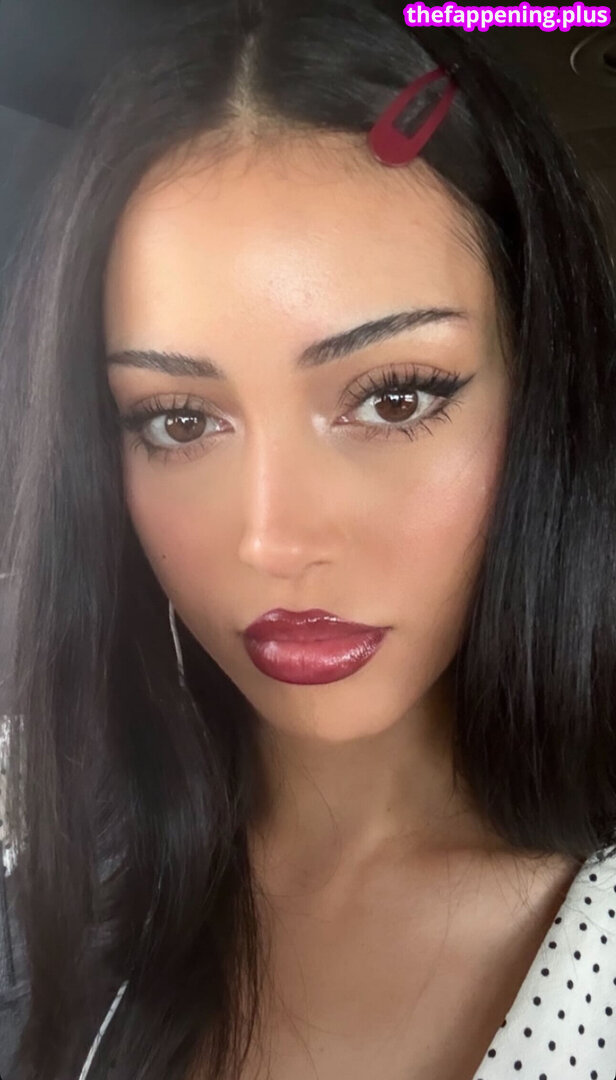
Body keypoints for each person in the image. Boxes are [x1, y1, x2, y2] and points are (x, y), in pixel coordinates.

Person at [0, 2, 615, 1079]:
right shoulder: (60, 866)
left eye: (392, 399)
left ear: (545, 400)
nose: (272, 540)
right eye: (177, 421)